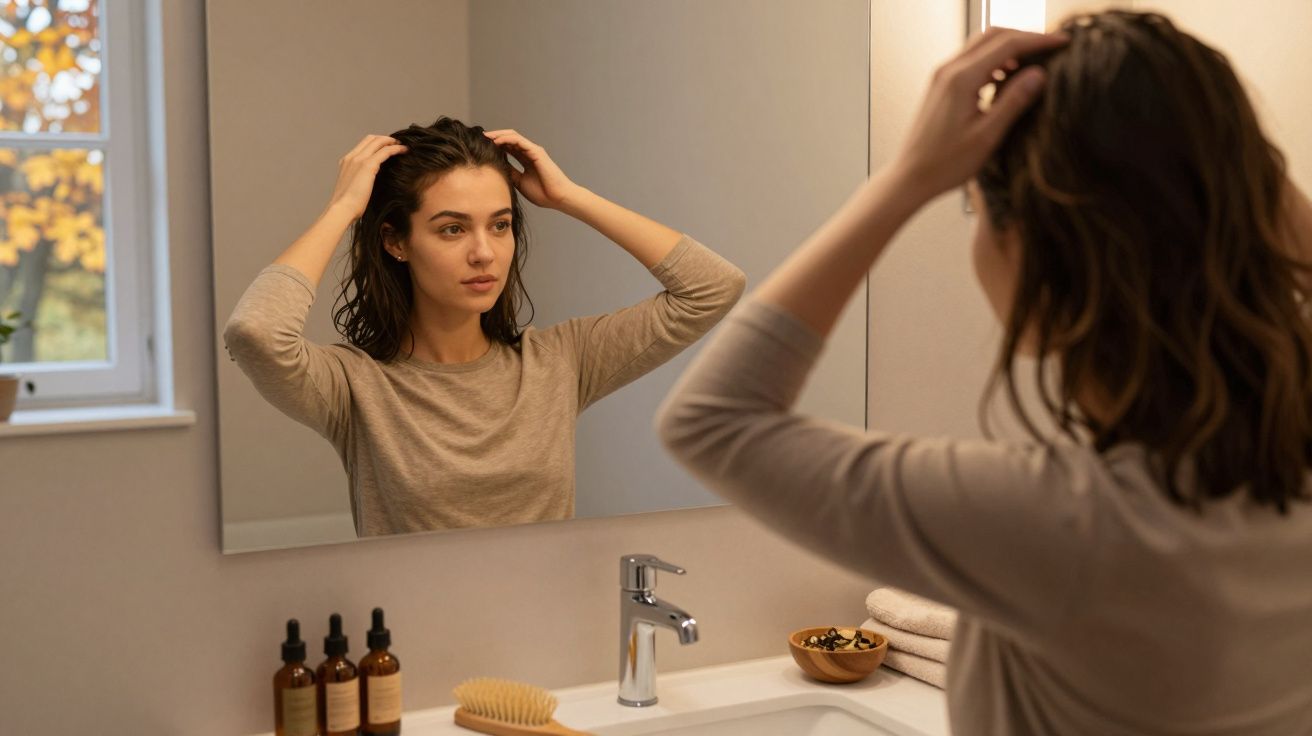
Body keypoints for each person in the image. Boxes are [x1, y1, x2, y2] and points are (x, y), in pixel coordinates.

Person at [657, 11, 1312, 734]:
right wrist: (1213, 147)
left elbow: (711, 420)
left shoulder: (1060, 524)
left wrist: (908, 176)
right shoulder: (1293, 460)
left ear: (1026, 249)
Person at [225, 117, 745, 536]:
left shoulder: (561, 362)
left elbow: (713, 287)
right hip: (415, 648)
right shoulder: (353, 387)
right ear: (396, 242)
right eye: (452, 229)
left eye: (500, 225)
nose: (484, 253)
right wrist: (344, 208)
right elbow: (256, 333)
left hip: (547, 644)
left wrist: (570, 197)